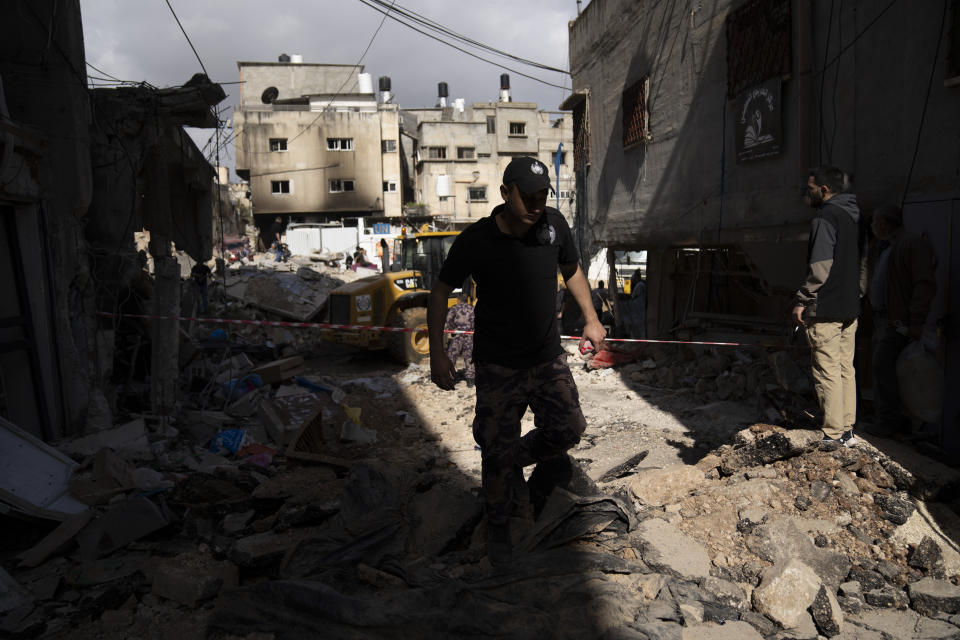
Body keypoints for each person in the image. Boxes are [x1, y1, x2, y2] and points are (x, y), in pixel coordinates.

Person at [428, 156, 606, 565]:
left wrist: (592, 320)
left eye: (542, 197)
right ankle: (499, 528)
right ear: (505, 193)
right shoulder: (478, 239)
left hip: (545, 357)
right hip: (497, 364)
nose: (536, 205)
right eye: (527, 197)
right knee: (493, 448)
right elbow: (440, 291)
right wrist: (438, 354)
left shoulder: (554, 225)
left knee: (568, 428)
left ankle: (515, 461)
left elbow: (572, 269)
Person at [792, 166, 867, 449]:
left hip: (825, 308)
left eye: (811, 188)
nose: (807, 193)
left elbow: (820, 267)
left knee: (827, 370)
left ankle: (832, 433)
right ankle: (847, 429)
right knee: (846, 368)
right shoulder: (857, 218)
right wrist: (857, 295)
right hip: (850, 306)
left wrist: (802, 299)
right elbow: (863, 266)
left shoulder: (825, 218)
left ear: (824, 190)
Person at [866, 204, 937, 438]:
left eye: (875, 221)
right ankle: (890, 418)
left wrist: (915, 320)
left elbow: (923, 284)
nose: (872, 226)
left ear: (886, 223)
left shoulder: (911, 244)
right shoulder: (885, 247)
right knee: (883, 369)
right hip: (884, 320)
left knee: (884, 366)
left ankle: (890, 421)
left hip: (900, 322)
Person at [445, 293, 476, 384]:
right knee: (469, 357)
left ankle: (450, 378)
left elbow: (448, 319)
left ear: (458, 299)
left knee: (452, 356)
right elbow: (475, 321)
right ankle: (470, 380)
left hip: (457, 335)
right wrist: (470, 329)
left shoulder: (454, 308)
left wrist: (453, 329)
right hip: (469, 336)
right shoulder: (471, 309)